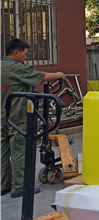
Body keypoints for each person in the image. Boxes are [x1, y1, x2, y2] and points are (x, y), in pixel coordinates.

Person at [1, 38, 65, 198]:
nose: (25, 57)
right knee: (19, 150)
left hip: (3, 115)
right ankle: (20, 187)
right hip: (18, 115)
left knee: (3, 151)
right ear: (16, 52)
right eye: (24, 54)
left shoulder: (2, 66)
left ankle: (4, 185)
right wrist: (59, 75)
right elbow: (42, 76)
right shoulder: (16, 68)